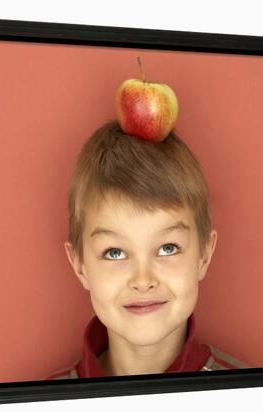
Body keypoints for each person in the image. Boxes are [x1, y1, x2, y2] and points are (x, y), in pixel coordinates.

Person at [46, 120, 248, 379]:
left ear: (204, 254)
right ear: (80, 265)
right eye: (115, 253)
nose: (143, 281)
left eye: (167, 248)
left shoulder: (259, 401)